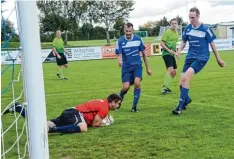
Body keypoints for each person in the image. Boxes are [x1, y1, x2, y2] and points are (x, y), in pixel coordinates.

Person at [172, 7, 225, 115]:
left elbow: (213, 44)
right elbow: (183, 42)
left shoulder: (205, 28)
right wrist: (178, 51)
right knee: (181, 83)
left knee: (186, 77)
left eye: (193, 17)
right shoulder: (187, 28)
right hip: (190, 57)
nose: (191, 20)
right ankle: (187, 99)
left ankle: (179, 107)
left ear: (198, 16)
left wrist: (218, 59)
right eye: (189, 17)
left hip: (202, 57)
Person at [3, 93, 122, 133]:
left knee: (42, 124)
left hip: (70, 112)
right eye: (118, 104)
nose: (118, 106)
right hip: (74, 113)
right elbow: (95, 124)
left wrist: (103, 119)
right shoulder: (105, 107)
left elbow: (93, 119)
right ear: (113, 102)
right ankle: (52, 131)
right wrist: (105, 123)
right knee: (83, 128)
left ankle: (19, 108)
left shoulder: (102, 102)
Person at [115, 22, 152, 112]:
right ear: (124, 30)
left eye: (130, 31)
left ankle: (134, 107)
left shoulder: (138, 39)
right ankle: (119, 100)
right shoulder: (120, 41)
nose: (128, 33)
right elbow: (119, 55)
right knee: (126, 87)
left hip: (137, 66)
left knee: (137, 83)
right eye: (126, 31)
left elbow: (144, 54)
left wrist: (148, 67)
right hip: (126, 68)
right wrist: (120, 61)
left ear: (133, 30)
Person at [160, 18, 179, 94]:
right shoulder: (167, 33)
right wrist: (168, 50)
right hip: (166, 54)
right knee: (170, 70)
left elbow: (173, 45)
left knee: (174, 72)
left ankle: (167, 86)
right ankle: (164, 88)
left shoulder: (176, 33)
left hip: (172, 54)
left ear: (177, 24)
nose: (174, 25)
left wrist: (176, 52)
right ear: (170, 25)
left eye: (175, 23)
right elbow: (162, 43)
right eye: (172, 23)